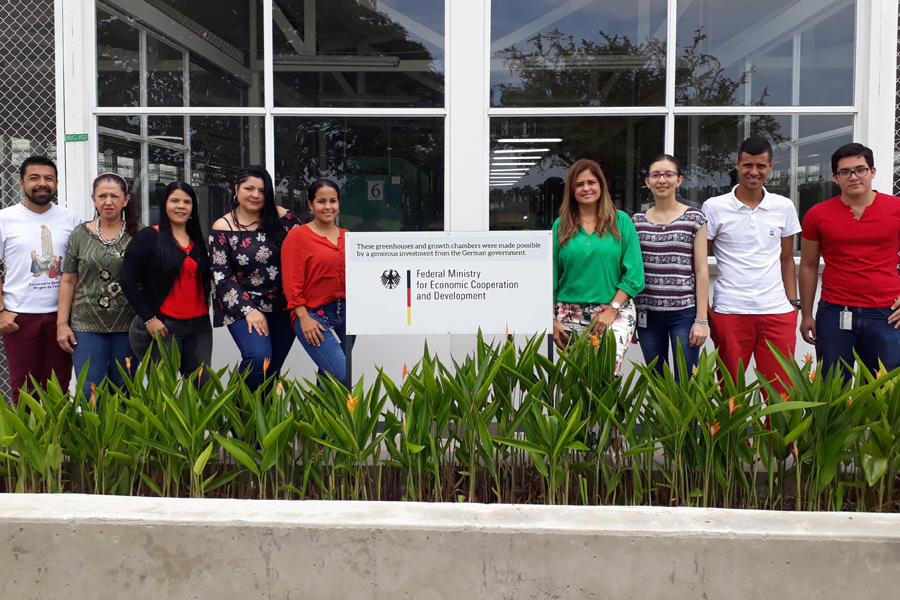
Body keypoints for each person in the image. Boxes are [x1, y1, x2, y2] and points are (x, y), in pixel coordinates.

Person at [703, 136, 801, 393]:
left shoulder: (784, 206)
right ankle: (731, 437)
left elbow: (786, 258)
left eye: (760, 166)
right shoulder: (714, 207)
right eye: (747, 165)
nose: (753, 172)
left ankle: (773, 437)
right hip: (731, 311)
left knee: (779, 392)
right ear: (737, 165)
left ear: (770, 166)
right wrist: (706, 307)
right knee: (729, 392)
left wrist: (793, 303)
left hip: (777, 312)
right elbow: (699, 261)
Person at [799, 143, 900, 377]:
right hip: (835, 312)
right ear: (835, 177)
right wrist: (806, 314)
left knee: (882, 389)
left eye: (860, 169)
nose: (853, 177)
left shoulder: (895, 208)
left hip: (885, 313)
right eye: (845, 172)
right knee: (833, 389)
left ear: (872, 172)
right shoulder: (817, 214)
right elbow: (808, 265)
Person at [209, 166, 300, 390]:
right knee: (259, 359)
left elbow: (303, 252)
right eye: (249, 188)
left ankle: (264, 422)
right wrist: (249, 310)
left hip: (283, 305)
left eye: (262, 190)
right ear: (236, 189)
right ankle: (240, 416)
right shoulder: (223, 226)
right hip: (242, 305)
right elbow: (221, 276)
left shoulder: (283, 218)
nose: (255, 195)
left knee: (272, 370)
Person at [0, 156, 81, 402]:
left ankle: (59, 441)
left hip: (62, 317)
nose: (42, 184)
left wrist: (66, 319)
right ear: (22, 182)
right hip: (19, 317)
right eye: (34, 178)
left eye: (49, 179)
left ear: (56, 183)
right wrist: (2, 310)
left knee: (59, 388)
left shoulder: (71, 220)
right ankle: (29, 441)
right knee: (24, 390)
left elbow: (78, 269)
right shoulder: (5, 218)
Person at [552, 158, 644, 374]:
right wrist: (551, 319)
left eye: (591, 182)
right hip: (569, 314)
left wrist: (611, 310)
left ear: (601, 185)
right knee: (577, 381)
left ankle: (611, 409)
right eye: (579, 184)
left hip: (614, 311)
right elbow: (551, 276)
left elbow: (634, 274)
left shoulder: (620, 221)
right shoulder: (561, 225)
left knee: (605, 373)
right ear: (571, 190)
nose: (586, 188)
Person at [57, 173, 139, 398]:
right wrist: (62, 324)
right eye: (102, 196)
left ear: (126, 199)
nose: (108, 201)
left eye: (115, 196)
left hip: (128, 324)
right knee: (90, 389)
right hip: (85, 325)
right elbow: (68, 279)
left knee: (124, 389)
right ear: (94, 199)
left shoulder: (139, 234)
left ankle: (123, 434)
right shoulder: (80, 234)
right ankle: (95, 434)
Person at [123, 182, 212, 377]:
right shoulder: (149, 236)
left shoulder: (197, 239)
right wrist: (149, 319)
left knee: (202, 389)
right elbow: (127, 280)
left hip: (199, 328)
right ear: (164, 204)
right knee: (164, 393)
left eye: (187, 202)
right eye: (175, 201)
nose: (181, 206)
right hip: (164, 328)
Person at [633, 154, 709, 378]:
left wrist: (701, 319)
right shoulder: (636, 221)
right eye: (655, 175)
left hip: (684, 313)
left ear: (679, 180)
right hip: (648, 314)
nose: (662, 180)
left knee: (686, 381)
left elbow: (702, 269)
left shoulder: (694, 218)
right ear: (647, 182)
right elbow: (630, 270)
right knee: (658, 381)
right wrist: (632, 316)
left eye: (668, 174)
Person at [282, 179, 351, 386]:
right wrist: (303, 317)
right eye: (321, 201)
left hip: (347, 315)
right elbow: (291, 282)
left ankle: (321, 418)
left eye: (333, 201)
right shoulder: (298, 236)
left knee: (330, 377)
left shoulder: (348, 236)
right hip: (313, 315)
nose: (328, 207)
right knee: (339, 372)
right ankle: (315, 415)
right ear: (311, 205)